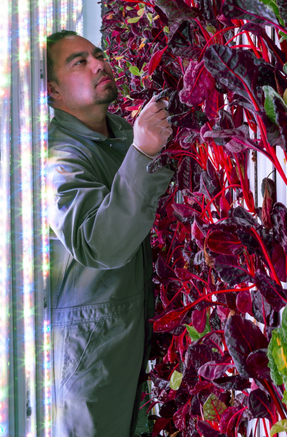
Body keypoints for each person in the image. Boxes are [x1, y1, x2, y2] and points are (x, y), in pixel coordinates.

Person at [46, 30, 173, 436]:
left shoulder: (117, 131)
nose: (99, 64)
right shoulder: (59, 161)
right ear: (53, 92)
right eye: (79, 62)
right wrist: (143, 153)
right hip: (91, 369)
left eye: (97, 54)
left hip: (127, 350)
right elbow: (99, 243)